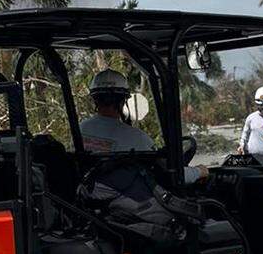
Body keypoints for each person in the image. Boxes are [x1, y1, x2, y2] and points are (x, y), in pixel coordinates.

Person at [79, 68, 207, 183]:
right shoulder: (136, 138)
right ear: (123, 100)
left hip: (88, 199)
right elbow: (171, 174)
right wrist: (199, 171)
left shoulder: (80, 130)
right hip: (128, 205)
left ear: (94, 99)